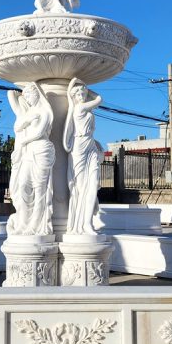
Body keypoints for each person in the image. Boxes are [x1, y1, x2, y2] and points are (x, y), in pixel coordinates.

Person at [7, 82, 55, 235]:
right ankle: (23, 223)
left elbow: (40, 132)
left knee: (40, 189)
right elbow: (17, 125)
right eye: (25, 95)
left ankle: (35, 226)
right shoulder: (27, 112)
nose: (28, 98)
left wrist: (24, 140)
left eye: (30, 94)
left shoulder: (45, 111)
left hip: (42, 150)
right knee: (22, 186)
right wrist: (26, 121)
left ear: (38, 94)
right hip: (28, 152)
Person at [63, 78, 104, 234]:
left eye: (83, 94)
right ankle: (79, 223)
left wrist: (84, 88)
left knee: (92, 184)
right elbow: (99, 99)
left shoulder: (87, 109)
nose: (81, 96)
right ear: (74, 97)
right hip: (79, 147)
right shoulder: (79, 108)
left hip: (91, 145)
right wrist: (85, 87)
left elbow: (96, 99)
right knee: (81, 188)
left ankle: (88, 224)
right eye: (78, 94)